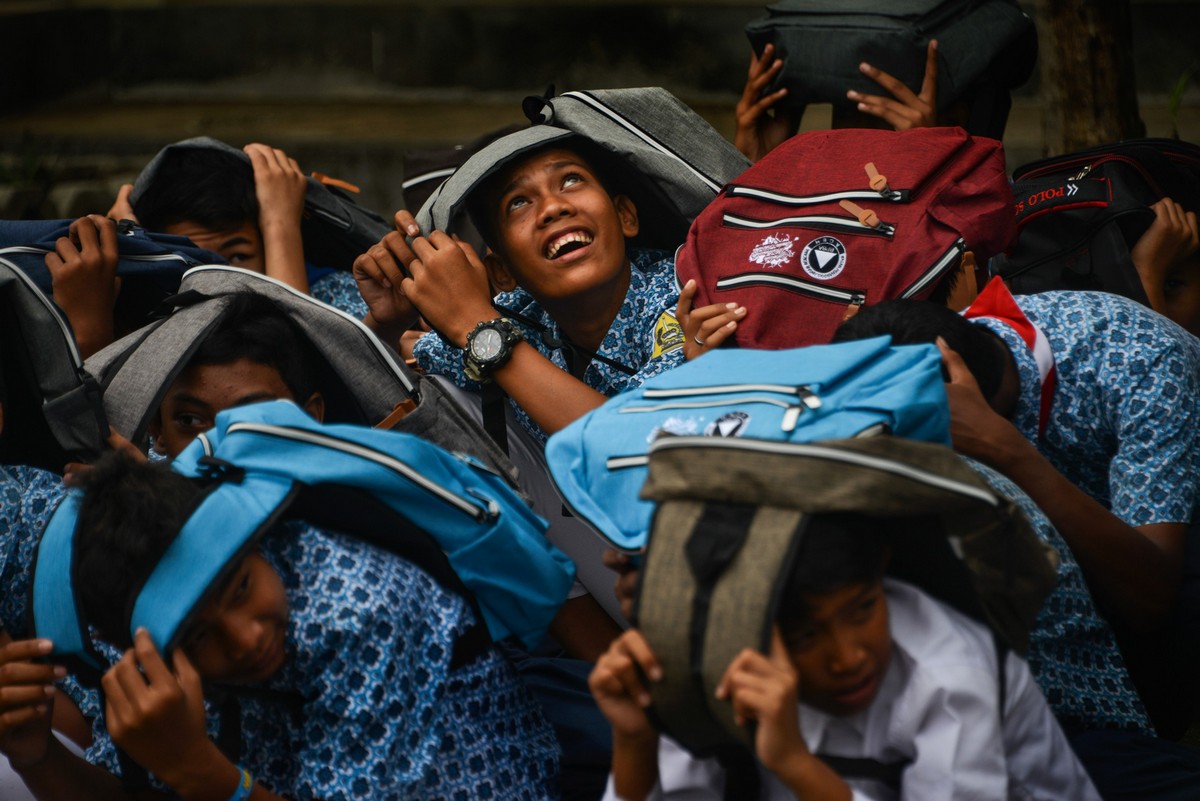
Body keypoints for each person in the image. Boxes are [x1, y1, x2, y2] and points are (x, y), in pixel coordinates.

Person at [5, 451, 560, 801]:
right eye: (197, 636)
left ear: (252, 539)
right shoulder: (148, 656)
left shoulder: (359, 613)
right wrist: (36, 755)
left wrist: (198, 770)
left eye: (240, 588)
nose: (246, 637)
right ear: (131, 648)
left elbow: (193, 777)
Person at [833, 283, 1200, 733]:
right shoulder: (929, 352)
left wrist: (1008, 452)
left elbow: (1152, 594)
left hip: (1172, 533)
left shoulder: (1137, 359)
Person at [589, 512, 1100, 801]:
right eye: (807, 635)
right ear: (740, 626)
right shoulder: (715, 663)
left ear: (881, 571)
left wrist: (793, 763)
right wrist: (635, 743)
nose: (848, 656)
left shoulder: (949, 675)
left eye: (862, 609)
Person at [354, 130, 744, 443]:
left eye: (571, 180)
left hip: (674, 517)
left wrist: (477, 322)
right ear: (503, 271)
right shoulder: (518, 311)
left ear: (625, 216)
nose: (553, 207)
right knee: (442, 395)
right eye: (518, 203)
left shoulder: (682, 292)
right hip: (572, 532)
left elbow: (634, 442)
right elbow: (354, 394)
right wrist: (384, 324)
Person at [112, 141, 368, 319]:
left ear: (268, 245)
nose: (221, 280)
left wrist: (281, 224)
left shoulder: (339, 298)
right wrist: (133, 251)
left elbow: (295, 362)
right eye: (193, 261)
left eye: (238, 256)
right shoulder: (146, 314)